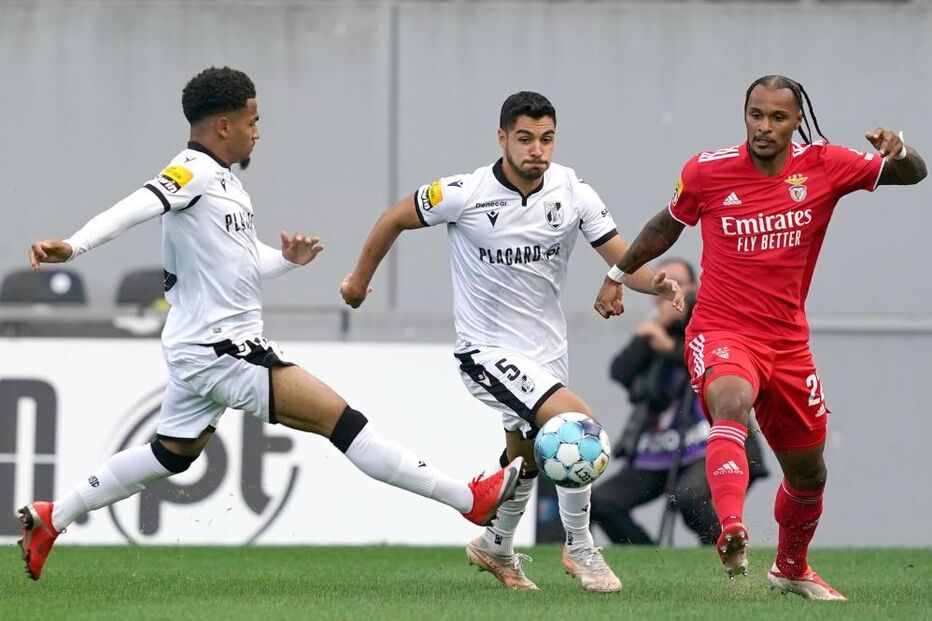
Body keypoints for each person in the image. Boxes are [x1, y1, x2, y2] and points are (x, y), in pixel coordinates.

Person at [18, 66, 523, 581]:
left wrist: (286, 260)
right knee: (341, 421)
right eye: (252, 121)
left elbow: (240, 264)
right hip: (223, 350)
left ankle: (53, 516)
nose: (258, 131)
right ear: (222, 126)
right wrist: (73, 245)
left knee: (170, 455)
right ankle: (469, 500)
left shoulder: (224, 183)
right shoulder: (190, 171)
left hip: (202, 348)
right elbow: (139, 204)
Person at [594, 75, 927, 600]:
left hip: (789, 343)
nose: (764, 127)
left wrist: (901, 150)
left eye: (776, 117)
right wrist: (617, 276)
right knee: (731, 401)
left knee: (809, 473)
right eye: (755, 115)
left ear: (797, 120)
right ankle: (731, 529)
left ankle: (792, 567)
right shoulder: (707, 170)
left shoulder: (826, 165)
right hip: (722, 329)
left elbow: (914, 175)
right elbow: (667, 224)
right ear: (744, 114)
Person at [341, 91, 683, 592]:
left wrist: (654, 283)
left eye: (546, 139)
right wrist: (356, 281)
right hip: (485, 353)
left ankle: (494, 545)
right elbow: (394, 217)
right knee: (577, 429)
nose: (536, 150)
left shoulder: (572, 191)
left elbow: (621, 256)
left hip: (547, 355)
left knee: (523, 460)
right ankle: (582, 549)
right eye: (525, 139)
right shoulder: (465, 191)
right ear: (502, 138)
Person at [591, 259, 767, 546]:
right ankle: (647, 561)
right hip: (659, 450)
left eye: (678, 283)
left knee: (691, 497)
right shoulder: (655, 330)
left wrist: (670, 346)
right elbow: (621, 372)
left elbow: (711, 363)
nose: (671, 290)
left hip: (710, 445)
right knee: (599, 501)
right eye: (663, 282)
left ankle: (723, 554)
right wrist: (657, 328)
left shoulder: (712, 320)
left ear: (695, 288)